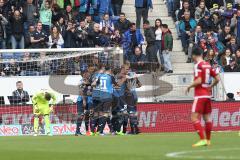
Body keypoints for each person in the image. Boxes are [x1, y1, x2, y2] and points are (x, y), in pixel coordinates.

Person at [185, 46, 220, 147]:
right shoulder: (208, 65)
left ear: (194, 55)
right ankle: (208, 140)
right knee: (207, 118)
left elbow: (199, 80)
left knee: (194, 117)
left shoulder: (198, 65)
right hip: (207, 95)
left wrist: (189, 86)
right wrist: (210, 87)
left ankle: (202, 139)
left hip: (200, 95)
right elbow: (217, 78)